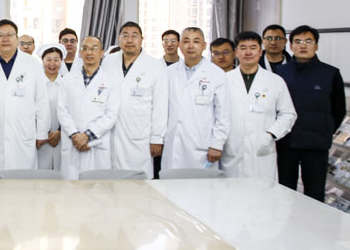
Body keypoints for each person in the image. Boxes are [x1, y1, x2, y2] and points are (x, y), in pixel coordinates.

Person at [275, 25, 346, 201]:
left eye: (308, 41)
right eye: (298, 41)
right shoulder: (280, 73)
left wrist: (324, 130)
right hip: (286, 143)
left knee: (315, 193)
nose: (303, 45)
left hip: (316, 144)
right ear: (291, 46)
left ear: (316, 45)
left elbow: (339, 109)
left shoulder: (330, 73)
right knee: (284, 191)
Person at [0, 19, 49, 178]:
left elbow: (41, 101)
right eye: (0, 35)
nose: (5, 39)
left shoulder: (32, 64)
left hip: (23, 134)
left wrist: (42, 133)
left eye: (9, 35)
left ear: (16, 38)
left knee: (23, 182)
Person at [221, 31, 296, 181]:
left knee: (262, 192)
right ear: (236, 52)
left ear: (260, 52)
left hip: (261, 148)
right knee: (230, 192)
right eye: (243, 48)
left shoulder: (275, 81)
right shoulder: (224, 80)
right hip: (232, 148)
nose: (248, 52)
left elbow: (288, 114)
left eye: (253, 48)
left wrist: (271, 134)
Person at [102, 22, 168, 179]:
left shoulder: (155, 66)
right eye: (125, 36)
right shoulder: (108, 61)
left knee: (139, 182)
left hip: (140, 134)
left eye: (134, 36)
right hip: (110, 132)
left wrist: (157, 138)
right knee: (110, 182)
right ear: (119, 39)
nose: (129, 40)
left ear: (142, 39)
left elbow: (160, 105)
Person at [162, 27, 229, 171]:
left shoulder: (216, 74)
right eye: (186, 41)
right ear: (180, 45)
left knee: (201, 184)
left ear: (204, 45)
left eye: (196, 41)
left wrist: (217, 144)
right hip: (173, 143)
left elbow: (223, 113)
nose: (191, 46)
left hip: (203, 145)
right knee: (171, 183)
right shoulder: (168, 73)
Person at [57, 36, 120, 180]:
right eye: (85, 48)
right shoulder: (68, 79)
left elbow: (111, 115)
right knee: (70, 188)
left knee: (97, 189)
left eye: (94, 48)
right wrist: (75, 135)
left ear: (102, 53)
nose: (89, 52)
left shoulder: (111, 81)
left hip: (96, 144)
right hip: (72, 143)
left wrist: (87, 136)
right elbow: (62, 110)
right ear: (80, 52)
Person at [36, 44, 65, 171]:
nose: (52, 64)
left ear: (61, 61)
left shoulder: (67, 83)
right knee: (40, 174)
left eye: (56, 60)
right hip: (40, 137)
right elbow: (30, 110)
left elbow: (72, 110)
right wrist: (44, 132)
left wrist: (60, 132)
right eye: (48, 59)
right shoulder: (35, 83)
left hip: (63, 137)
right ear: (42, 60)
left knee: (62, 173)